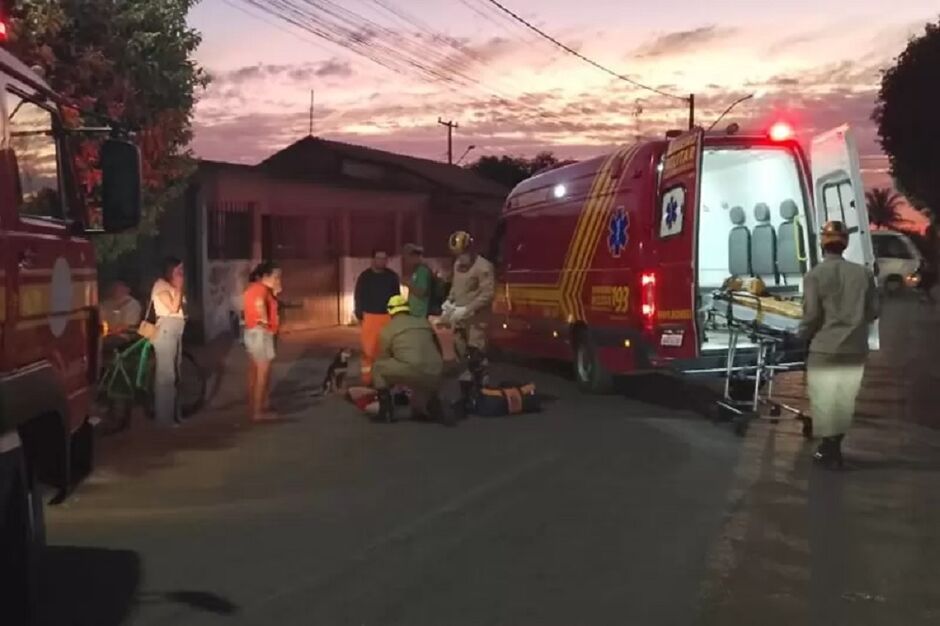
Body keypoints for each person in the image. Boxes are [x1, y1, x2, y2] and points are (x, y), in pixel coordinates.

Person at [799, 221, 879, 469]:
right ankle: (833, 449)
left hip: (825, 348)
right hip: (854, 348)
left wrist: (800, 336)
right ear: (845, 244)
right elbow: (874, 311)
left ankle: (829, 448)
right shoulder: (863, 274)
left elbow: (811, 316)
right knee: (844, 399)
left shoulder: (814, 275)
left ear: (823, 244)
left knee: (824, 399)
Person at [439, 230, 495, 414]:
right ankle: (465, 397)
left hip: (476, 321)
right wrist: (449, 302)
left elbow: (487, 294)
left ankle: (479, 396)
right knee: (461, 359)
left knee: (476, 357)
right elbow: (456, 288)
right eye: (458, 255)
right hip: (460, 320)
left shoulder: (483, 267)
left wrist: (467, 309)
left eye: (463, 254)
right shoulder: (458, 265)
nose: (461, 259)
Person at [372, 295, 450, 425]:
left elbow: (384, 357)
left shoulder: (388, 329)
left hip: (411, 369)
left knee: (378, 367)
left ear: (390, 310)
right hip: (435, 370)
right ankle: (433, 405)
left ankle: (385, 412)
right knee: (422, 378)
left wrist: (389, 384)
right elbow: (437, 347)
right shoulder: (424, 322)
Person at [354, 249, 400, 386]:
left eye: (384, 258)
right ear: (372, 260)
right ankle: (367, 380)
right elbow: (358, 296)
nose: (381, 261)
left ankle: (386, 379)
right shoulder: (365, 277)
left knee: (386, 350)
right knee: (368, 351)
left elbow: (396, 297)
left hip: (387, 317)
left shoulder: (392, 277)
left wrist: (396, 315)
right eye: (379, 258)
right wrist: (359, 313)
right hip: (369, 317)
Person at [243, 261, 282, 422]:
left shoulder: (253, 288)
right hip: (261, 333)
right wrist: (265, 322)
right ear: (266, 276)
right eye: (276, 277)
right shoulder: (261, 289)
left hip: (252, 331)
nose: (278, 280)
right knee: (262, 373)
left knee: (254, 370)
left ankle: (256, 405)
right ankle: (258, 412)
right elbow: (260, 305)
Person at [151, 257, 187, 427]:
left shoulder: (173, 287)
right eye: (178, 270)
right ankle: (164, 418)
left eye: (182, 271)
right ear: (170, 271)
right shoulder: (161, 286)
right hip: (165, 330)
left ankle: (175, 414)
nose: (181, 274)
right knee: (166, 375)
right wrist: (179, 288)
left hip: (176, 330)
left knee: (176, 373)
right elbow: (173, 308)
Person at [99, 280, 142, 354]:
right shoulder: (106, 303)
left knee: (102, 344)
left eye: (119, 288)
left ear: (127, 289)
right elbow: (101, 319)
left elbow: (128, 325)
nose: (115, 290)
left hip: (122, 336)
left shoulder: (133, 304)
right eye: (114, 288)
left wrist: (112, 331)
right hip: (105, 334)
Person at [402, 243, 434, 318]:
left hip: (420, 314)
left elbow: (421, 292)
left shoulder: (422, 271)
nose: (406, 260)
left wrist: (407, 284)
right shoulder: (416, 271)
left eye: (407, 257)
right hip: (414, 313)